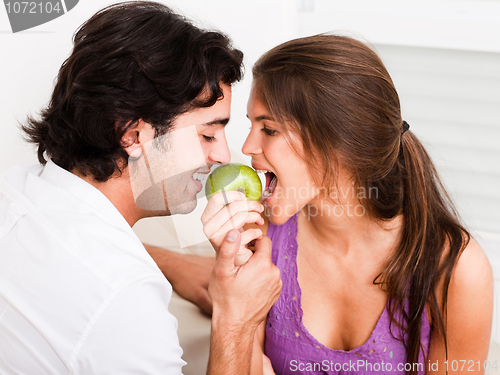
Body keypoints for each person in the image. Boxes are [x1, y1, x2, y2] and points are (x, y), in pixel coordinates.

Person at [0, 2, 281, 374]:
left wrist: (170, 263)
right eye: (208, 133)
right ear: (133, 135)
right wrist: (237, 318)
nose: (223, 154)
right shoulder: (123, 298)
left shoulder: (13, 190)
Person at [201, 34, 493, 374]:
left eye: (269, 129)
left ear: (338, 141)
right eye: (252, 126)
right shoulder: (262, 233)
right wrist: (233, 300)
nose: (248, 146)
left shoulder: (456, 269)